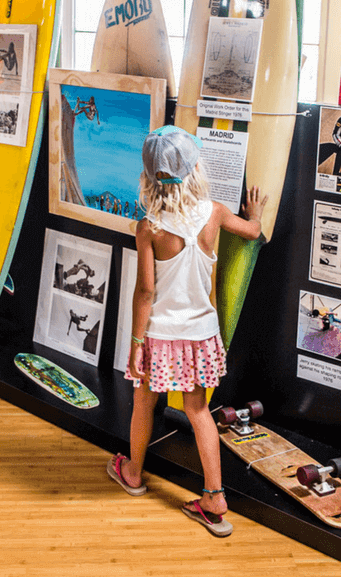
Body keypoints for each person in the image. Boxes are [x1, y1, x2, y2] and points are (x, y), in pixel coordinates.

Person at [107, 125, 267, 538]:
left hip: (160, 335)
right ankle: (214, 499)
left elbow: (145, 292)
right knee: (198, 412)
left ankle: (133, 474)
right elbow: (251, 233)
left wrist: (136, 344)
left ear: (148, 176)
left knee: (145, 402)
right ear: (195, 166)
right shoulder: (213, 212)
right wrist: (257, 215)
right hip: (201, 335)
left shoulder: (149, 227)